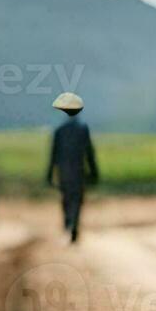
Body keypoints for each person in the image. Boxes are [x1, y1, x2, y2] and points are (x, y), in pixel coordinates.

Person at [47, 92, 98, 243]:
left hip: (64, 172)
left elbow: (53, 155)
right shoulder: (83, 129)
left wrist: (49, 174)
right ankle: (73, 222)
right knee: (76, 199)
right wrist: (94, 171)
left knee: (66, 198)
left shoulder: (59, 131)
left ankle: (69, 222)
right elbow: (89, 153)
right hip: (79, 170)